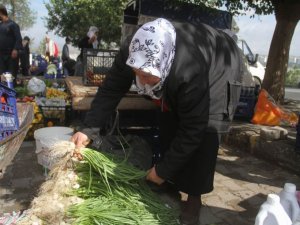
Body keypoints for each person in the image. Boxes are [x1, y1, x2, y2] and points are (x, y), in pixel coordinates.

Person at [71, 18, 243, 224]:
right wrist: (88, 129)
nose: (141, 81)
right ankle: (171, 180)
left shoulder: (189, 71)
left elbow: (193, 127)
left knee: (206, 128)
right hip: (184, 60)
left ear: (165, 64)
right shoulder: (132, 51)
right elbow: (110, 90)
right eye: (137, 74)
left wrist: (163, 169)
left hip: (220, 62)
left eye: (147, 76)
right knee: (168, 117)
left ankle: (194, 197)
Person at [0, 4, 22, 85]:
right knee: (2, 77)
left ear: (1, 12)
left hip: (11, 55)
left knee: (10, 77)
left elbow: (18, 38)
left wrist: (15, 49)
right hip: (1, 56)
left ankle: (12, 95)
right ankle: (2, 96)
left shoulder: (13, 25)